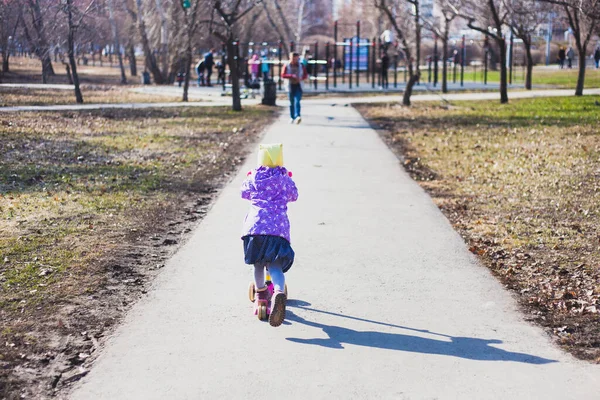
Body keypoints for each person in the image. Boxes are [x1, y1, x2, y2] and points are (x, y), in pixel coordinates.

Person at [241, 143, 298, 327]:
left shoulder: (254, 176)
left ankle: (261, 293)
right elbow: (294, 195)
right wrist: (288, 179)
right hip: (277, 230)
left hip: (255, 228)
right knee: (275, 265)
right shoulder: (284, 178)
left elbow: (244, 192)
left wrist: (249, 177)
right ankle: (279, 291)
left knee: (258, 263)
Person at [281, 52, 308, 124]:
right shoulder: (286, 65)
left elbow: (305, 75)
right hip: (290, 85)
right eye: (294, 59)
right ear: (290, 58)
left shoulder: (301, 65)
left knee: (297, 101)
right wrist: (291, 76)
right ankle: (292, 117)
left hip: (298, 85)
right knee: (291, 102)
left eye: (296, 59)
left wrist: (301, 78)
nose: (295, 60)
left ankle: (298, 116)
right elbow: (283, 75)